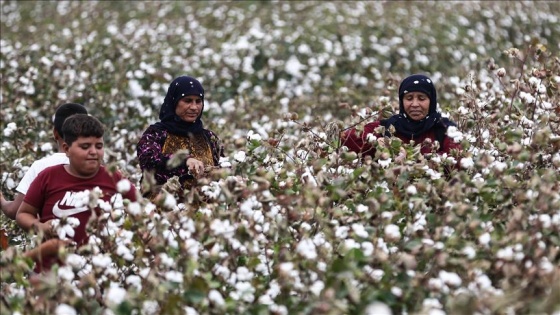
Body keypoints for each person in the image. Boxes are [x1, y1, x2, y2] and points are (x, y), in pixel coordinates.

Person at [16, 114, 137, 272]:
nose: (93, 152)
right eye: (85, 147)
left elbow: (142, 210)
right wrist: (40, 227)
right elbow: (23, 214)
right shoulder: (48, 176)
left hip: (100, 272)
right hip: (52, 274)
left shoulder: (113, 177)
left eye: (99, 146)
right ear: (66, 149)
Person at [137, 75, 223, 199]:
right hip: (162, 210)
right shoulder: (156, 133)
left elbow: (223, 170)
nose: (194, 107)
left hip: (205, 212)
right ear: (174, 101)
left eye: (198, 101)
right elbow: (148, 161)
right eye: (187, 100)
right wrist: (184, 161)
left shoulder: (209, 137)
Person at [1, 103, 88, 220]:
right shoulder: (97, 166)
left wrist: (1, 200)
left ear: (55, 133)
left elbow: (14, 211)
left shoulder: (41, 167)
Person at [342, 74, 461, 158]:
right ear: (402, 101)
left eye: (421, 98)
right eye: (409, 98)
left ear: (431, 101)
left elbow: (457, 159)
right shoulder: (389, 126)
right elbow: (345, 139)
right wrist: (374, 142)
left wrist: (420, 158)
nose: (415, 104)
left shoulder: (444, 128)